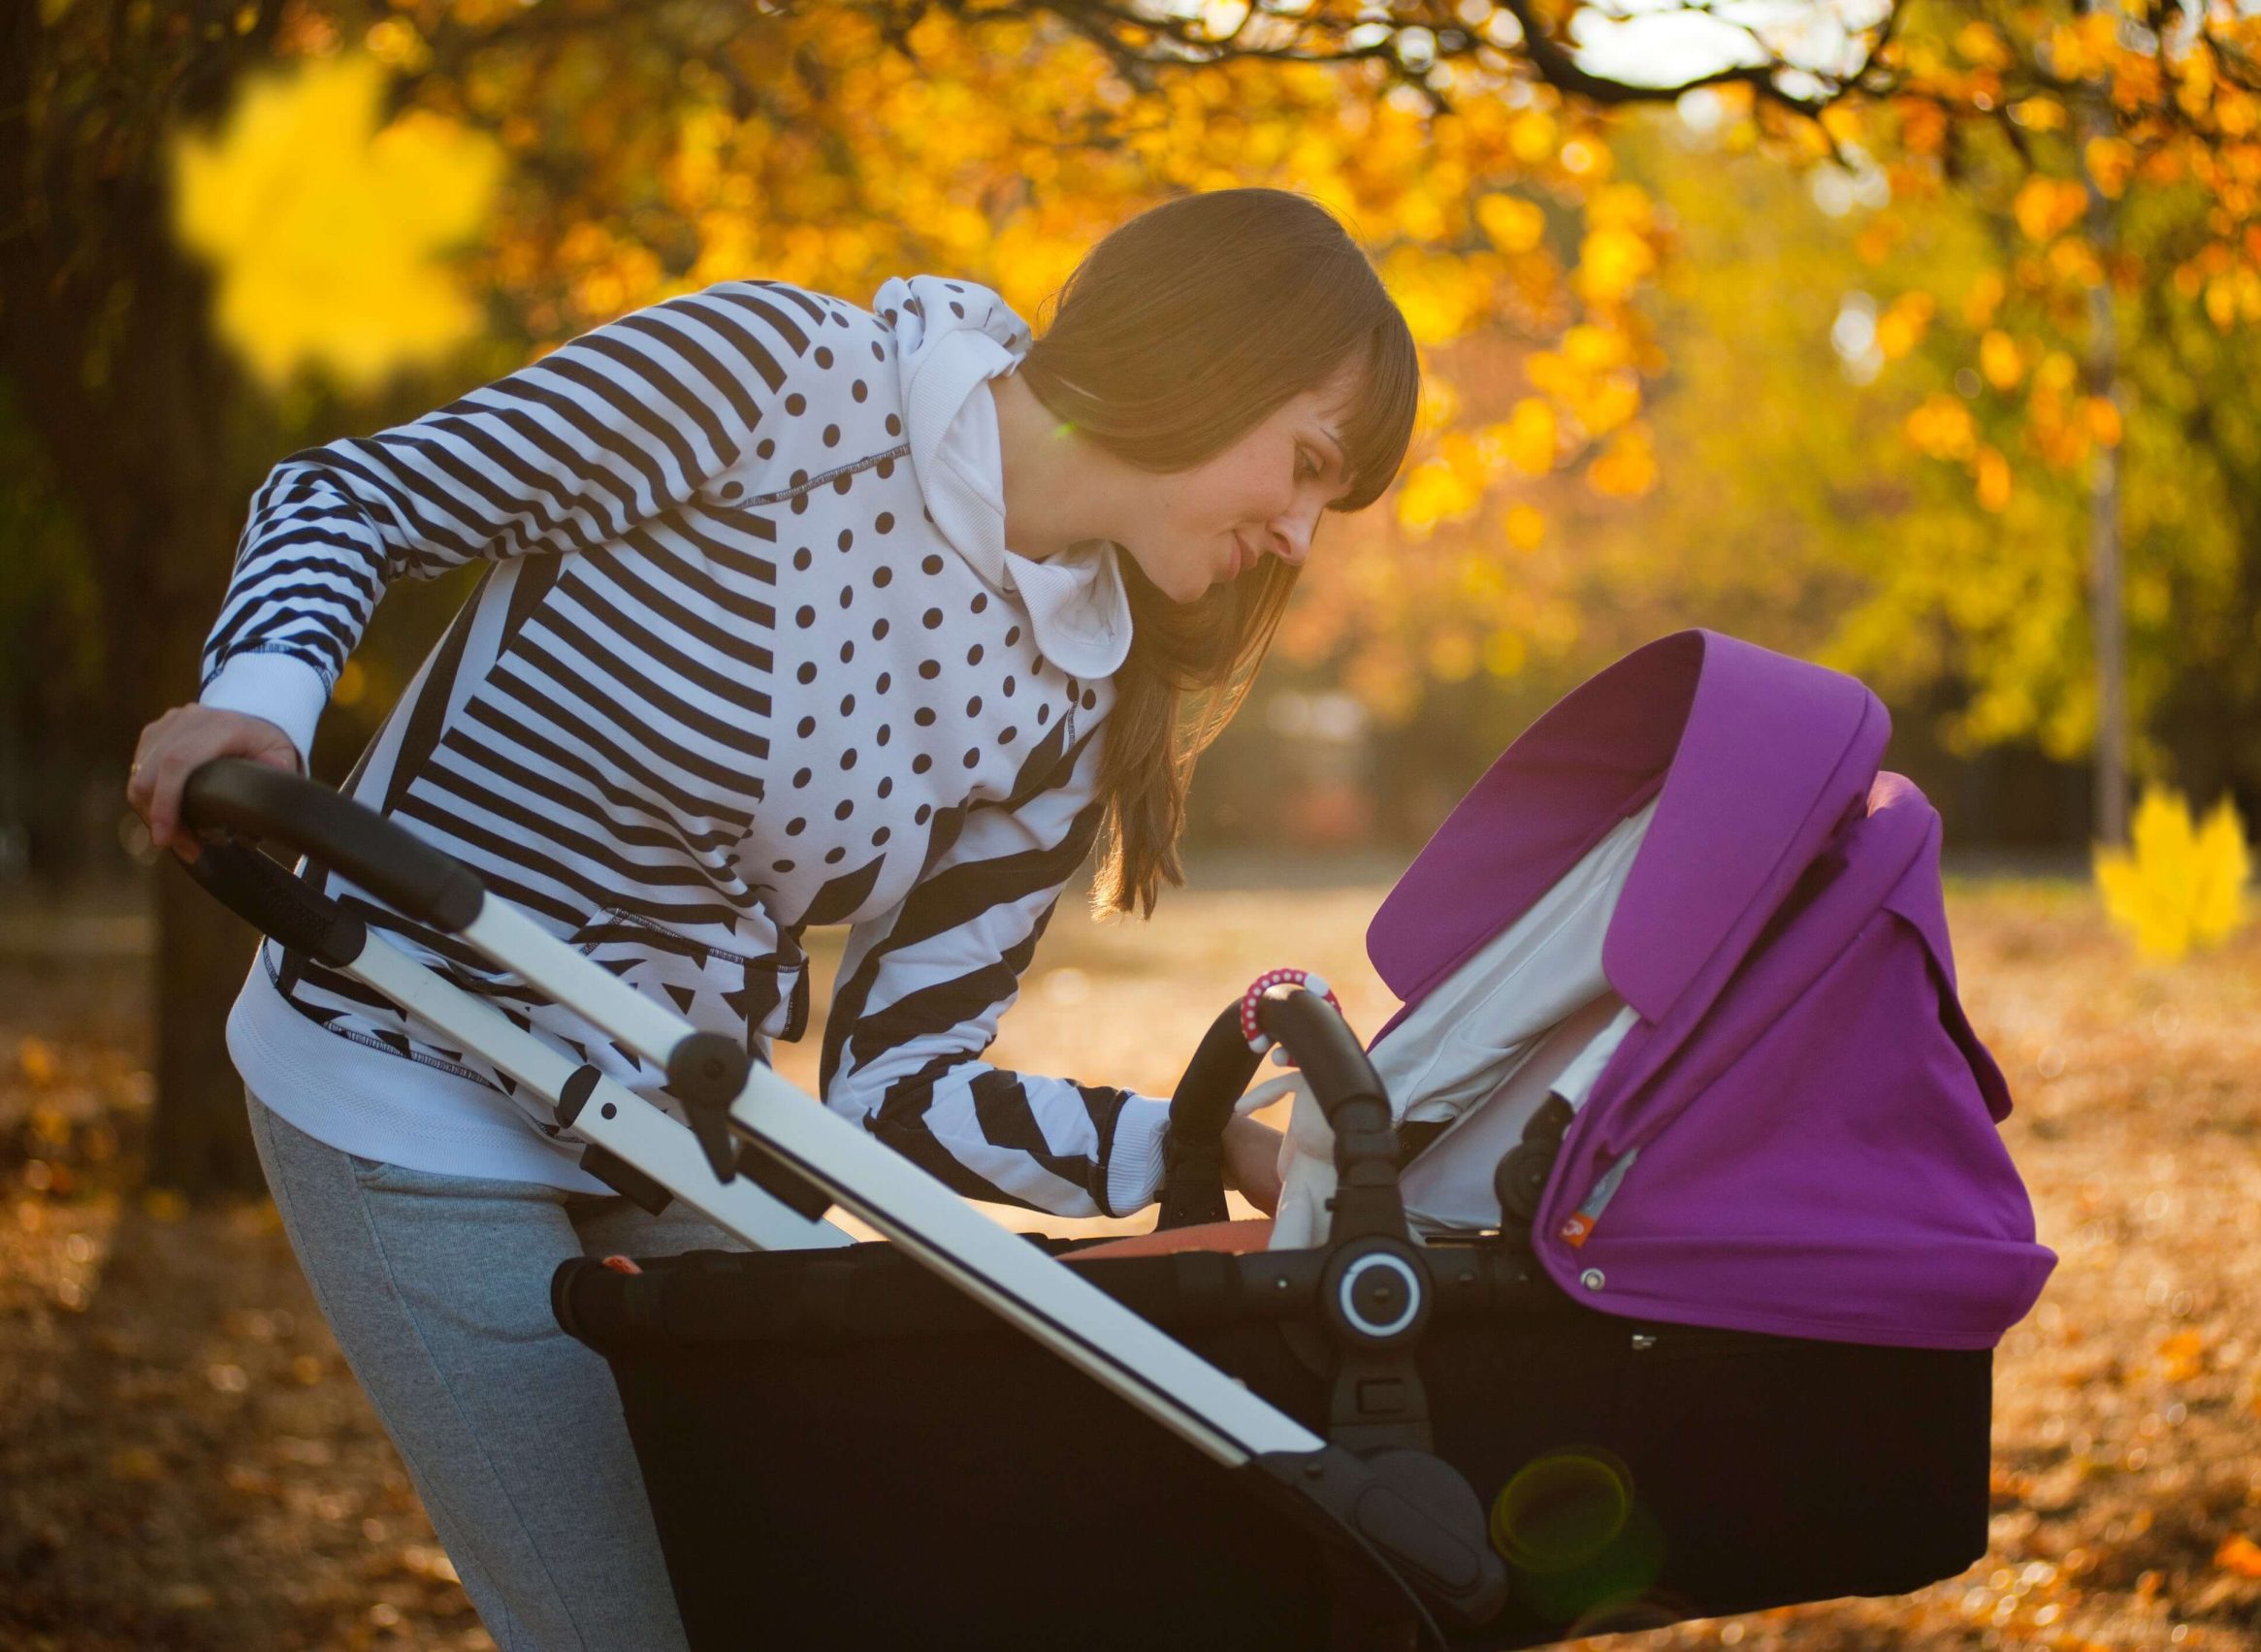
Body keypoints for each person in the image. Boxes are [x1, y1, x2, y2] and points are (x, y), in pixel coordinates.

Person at [124, 186, 1419, 1652]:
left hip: (665, 1119)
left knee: (807, 1594)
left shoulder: (1074, 698)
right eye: (1307, 467)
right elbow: (357, 497)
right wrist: (261, 702)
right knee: (624, 1624)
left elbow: (903, 1098)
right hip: (404, 1055)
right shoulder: (781, 381)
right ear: (1211, 356)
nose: (1304, 540)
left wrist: (1210, 1146)